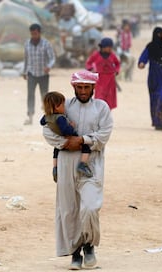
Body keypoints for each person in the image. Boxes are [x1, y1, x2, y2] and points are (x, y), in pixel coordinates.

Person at [42, 70, 113, 270]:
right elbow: (47, 128)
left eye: (86, 87)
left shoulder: (102, 108)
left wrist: (83, 140)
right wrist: (66, 143)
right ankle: (75, 253)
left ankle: (89, 245)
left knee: (90, 207)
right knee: (69, 210)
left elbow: (104, 134)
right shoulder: (64, 106)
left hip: (91, 164)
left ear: (93, 88)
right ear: (74, 87)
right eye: (79, 87)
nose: (82, 91)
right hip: (65, 164)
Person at [40, 91, 93, 182]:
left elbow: (41, 122)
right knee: (86, 146)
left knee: (56, 150)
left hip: (60, 143)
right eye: (63, 105)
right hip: (69, 140)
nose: (64, 108)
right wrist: (71, 126)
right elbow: (66, 131)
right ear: (57, 107)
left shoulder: (46, 117)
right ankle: (83, 164)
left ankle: (55, 168)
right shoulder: (60, 118)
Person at [138, 26, 162, 130]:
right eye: (158, 34)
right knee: (155, 99)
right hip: (154, 77)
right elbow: (143, 58)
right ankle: (158, 122)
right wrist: (142, 63)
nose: (159, 36)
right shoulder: (150, 46)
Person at [23, 23, 56, 125]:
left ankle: (47, 117)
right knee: (30, 95)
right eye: (32, 34)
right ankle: (30, 116)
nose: (34, 36)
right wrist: (24, 72)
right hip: (31, 73)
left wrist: (49, 66)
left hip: (43, 74)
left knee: (44, 95)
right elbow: (26, 59)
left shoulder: (46, 44)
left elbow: (52, 58)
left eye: (36, 33)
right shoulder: (27, 44)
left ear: (40, 33)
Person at [85, 37, 120, 110]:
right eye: (109, 47)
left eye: (111, 47)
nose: (110, 49)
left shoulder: (112, 55)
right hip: (100, 79)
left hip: (110, 79)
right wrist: (91, 68)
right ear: (103, 47)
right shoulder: (96, 55)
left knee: (109, 98)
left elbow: (117, 64)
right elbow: (88, 63)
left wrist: (116, 71)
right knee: (100, 97)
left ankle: (107, 113)